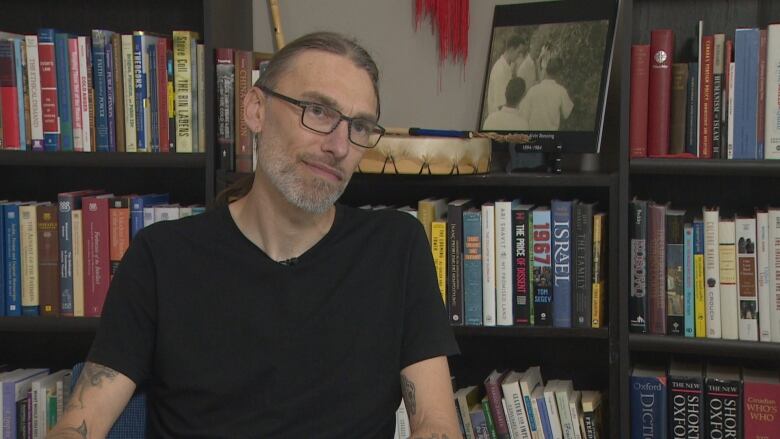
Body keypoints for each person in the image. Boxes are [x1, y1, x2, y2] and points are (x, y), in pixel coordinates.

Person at [48, 32, 461, 439]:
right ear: (255, 110)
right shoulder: (162, 255)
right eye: (318, 111)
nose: (339, 145)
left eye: (359, 126)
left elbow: (436, 424)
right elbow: (79, 425)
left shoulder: (395, 247)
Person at [518, 57, 574, 131]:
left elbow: (523, 115)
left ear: (546, 71)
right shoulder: (561, 91)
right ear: (559, 73)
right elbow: (567, 113)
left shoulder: (533, 90)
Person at [485, 35, 525, 116]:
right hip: (497, 119)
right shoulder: (500, 70)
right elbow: (501, 104)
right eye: (519, 52)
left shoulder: (507, 67)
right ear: (511, 49)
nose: (520, 55)